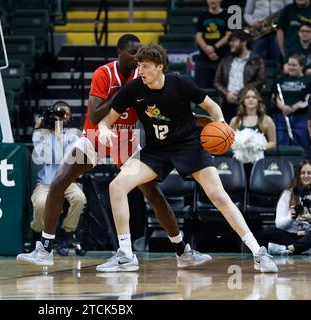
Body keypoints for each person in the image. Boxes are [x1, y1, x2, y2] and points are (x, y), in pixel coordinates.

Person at [17, 34, 211, 268]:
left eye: (139, 52)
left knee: (153, 193)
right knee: (60, 180)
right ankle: (45, 249)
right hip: (96, 135)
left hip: (126, 139)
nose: (136, 56)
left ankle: (182, 250)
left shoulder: (145, 76)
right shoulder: (104, 74)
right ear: (119, 53)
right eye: (132, 52)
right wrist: (124, 93)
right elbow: (96, 114)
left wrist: (200, 120)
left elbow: (166, 108)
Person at [97, 43, 278, 273]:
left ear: (160, 67)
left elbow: (212, 107)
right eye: (139, 66)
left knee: (218, 196)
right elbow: (105, 120)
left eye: (145, 66)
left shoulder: (179, 83)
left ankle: (258, 252)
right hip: (156, 150)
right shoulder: (133, 89)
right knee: (116, 186)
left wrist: (221, 125)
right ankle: (126, 255)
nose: (140, 70)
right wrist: (103, 129)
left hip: (189, 145)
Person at [30, 101, 86, 256]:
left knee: (79, 198)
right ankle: (39, 234)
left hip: (67, 182)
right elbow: (42, 156)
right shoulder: (41, 134)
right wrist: (41, 128)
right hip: (45, 183)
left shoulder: (73, 135)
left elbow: (67, 157)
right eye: (59, 113)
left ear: (70, 118)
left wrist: (58, 133)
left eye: (66, 114)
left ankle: (65, 234)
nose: (63, 117)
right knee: (41, 203)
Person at [260, 160, 311, 255]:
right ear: (298, 175)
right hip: (289, 235)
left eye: (309, 173)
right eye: (303, 173)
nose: (306, 176)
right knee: (266, 232)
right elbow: (278, 224)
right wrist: (291, 218)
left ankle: (289, 249)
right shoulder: (288, 194)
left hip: (308, 235)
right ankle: (302, 248)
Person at [214, 30, 265, 122]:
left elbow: (261, 80)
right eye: (230, 41)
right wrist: (226, 93)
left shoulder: (256, 60)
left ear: (244, 42)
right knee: (227, 134)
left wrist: (243, 92)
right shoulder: (225, 60)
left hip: (247, 103)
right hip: (227, 103)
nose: (230, 44)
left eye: (234, 41)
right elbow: (217, 81)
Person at [272, 54, 311, 155]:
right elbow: (276, 97)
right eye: (289, 64)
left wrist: (292, 108)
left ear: (302, 66)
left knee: (301, 147)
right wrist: (283, 107)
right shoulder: (281, 80)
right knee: (280, 146)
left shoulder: (308, 80)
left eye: (294, 65)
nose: (291, 67)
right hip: (282, 117)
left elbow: (308, 99)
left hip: (301, 117)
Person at [194, 0, 231, 88]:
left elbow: (229, 35)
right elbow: (198, 36)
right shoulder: (202, 16)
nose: (212, 1)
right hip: (204, 58)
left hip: (223, 58)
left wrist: (214, 47)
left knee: (224, 88)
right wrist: (208, 51)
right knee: (201, 89)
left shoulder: (228, 15)